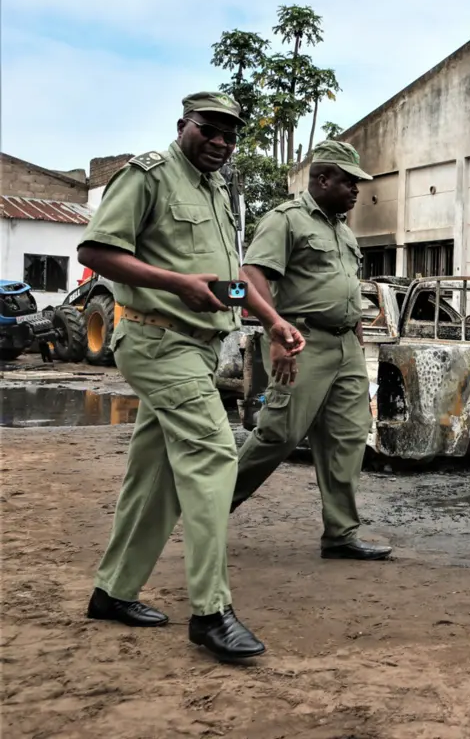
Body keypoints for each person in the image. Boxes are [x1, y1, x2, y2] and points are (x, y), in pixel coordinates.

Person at [79, 92, 306, 662]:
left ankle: (113, 592)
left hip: (198, 347)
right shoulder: (149, 176)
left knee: (152, 475)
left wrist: (274, 321)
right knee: (213, 454)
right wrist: (174, 283)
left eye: (231, 136)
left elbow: (228, 280)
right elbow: (97, 249)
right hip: (157, 339)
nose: (221, 143)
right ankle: (210, 613)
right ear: (184, 125)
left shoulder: (218, 192)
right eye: (210, 130)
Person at [230, 140, 391, 562]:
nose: (356, 190)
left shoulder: (342, 230)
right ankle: (210, 506)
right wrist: (276, 332)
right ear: (322, 179)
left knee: (348, 437)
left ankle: (340, 534)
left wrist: (356, 337)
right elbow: (251, 275)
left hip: (345, 346)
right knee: (279, 433)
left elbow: (347, 288)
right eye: (349, 181)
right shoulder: (286, 220)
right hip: (301, 341)